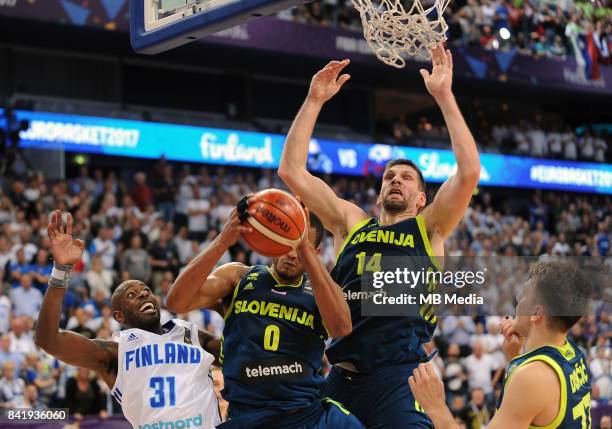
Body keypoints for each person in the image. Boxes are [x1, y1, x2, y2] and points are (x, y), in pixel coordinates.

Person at [278, 43, 480, 428]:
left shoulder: (429, 228)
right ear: (380, 191)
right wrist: (314, 99)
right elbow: (291, 171)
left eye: (406, 178)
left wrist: (444, 96)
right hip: (342, 377)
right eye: (389, 176)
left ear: (421, 198)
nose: (395, 180)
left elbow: (469, 172)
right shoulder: (350, 224)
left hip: (399, 379)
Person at [166, 202, 365, 429]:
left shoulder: (323, 291)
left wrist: (308, 257)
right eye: (287, 243)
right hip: (249, 416)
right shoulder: (239, 277)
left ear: (315, 252)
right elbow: (176, 301)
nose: (291, 253)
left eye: (300, 247)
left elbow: (341, 328)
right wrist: (222, 242)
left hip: (304, 415)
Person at [35, 210, 221, 429]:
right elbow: (48, 340)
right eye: (131, 295)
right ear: (119, 316)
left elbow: (240, 356)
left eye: (146, 290)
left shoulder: (190, 334)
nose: (143, 294)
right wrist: (61, 270)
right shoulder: (115, 352)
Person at [409, 260, 592, 429]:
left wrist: (436, 406)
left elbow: (532, 385)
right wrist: (514, 357)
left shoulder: (532, 377)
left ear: (536, 313)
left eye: (523, 296)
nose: (517, 300)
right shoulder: (574, 353)